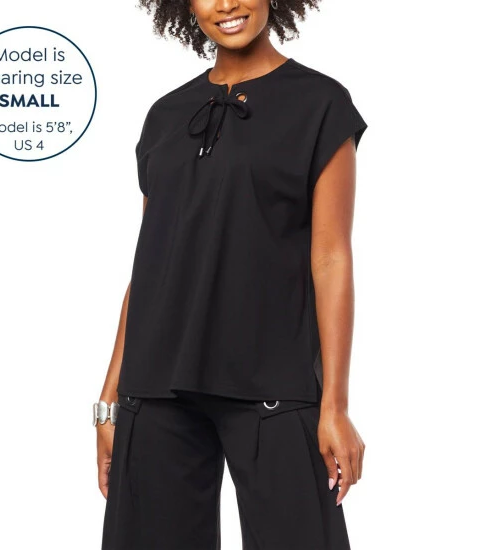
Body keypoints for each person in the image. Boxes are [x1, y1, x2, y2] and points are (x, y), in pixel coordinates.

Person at [95, 1, 368, 548]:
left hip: (273, 385)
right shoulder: (166, 115)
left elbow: (331, 256)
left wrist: (334, 404)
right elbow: (151, 261)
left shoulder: (320, 104)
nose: (225, 4)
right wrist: (110, 398)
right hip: (156, 387)